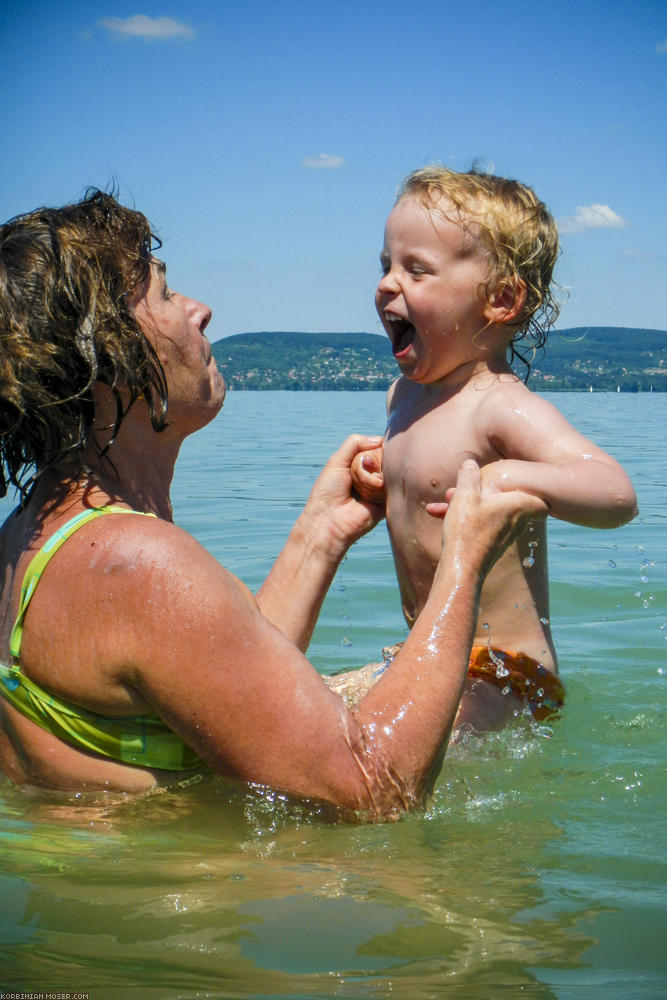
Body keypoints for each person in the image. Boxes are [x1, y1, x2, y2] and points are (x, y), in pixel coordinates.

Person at [0, 189, 546, 819]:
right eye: (163, 296)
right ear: (109, 360)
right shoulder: (137, 563)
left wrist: (322, 534)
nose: (198, 311)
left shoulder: (33, 536)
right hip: (177, 903)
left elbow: (223, 685)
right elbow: (374, 793)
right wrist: (464, 560)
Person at [348, 166, 637, 731]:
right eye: (386, 265)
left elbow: (614, 490)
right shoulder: (401, 397)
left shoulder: (500, 406)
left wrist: (510, 481)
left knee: (374, 749)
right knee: (295, 715)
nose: (387, 284)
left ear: (500, 300)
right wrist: (380, 473)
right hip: (430, 658)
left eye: (417, 270)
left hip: (509, 676)